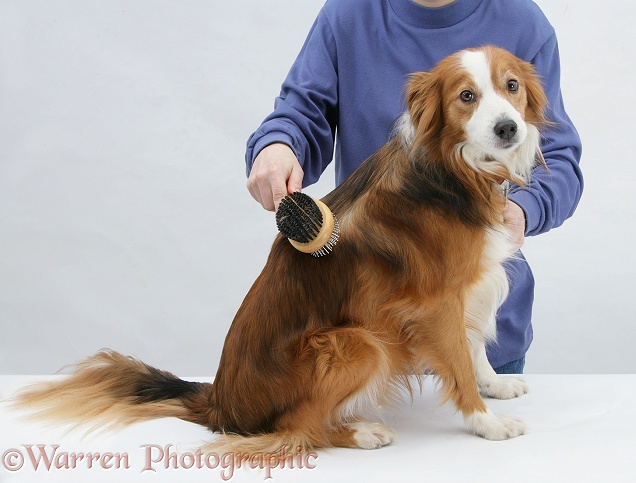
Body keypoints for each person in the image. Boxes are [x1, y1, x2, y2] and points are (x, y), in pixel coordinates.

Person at [244, 0, 583, 374]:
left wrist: (523, 208)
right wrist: (278, 143)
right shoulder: (346, 14)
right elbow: (303, 112)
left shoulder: (523, 21)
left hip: (482, 347)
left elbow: (557, 155)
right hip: (371, 341)